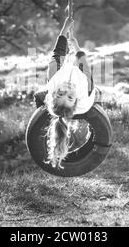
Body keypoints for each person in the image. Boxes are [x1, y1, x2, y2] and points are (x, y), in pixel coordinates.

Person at [36, 17, 96, 169]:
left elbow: (58, 52)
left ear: (55, 93)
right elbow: (85, 66)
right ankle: (48, 116)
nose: (67, 90)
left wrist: (64, 29)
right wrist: (76, 47)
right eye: (69, 96)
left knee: (39, 95)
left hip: (61, 81)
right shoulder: (84, 91)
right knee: (97, 95)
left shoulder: (54, 77)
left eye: (60, 93)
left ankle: (50, 108)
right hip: (83, 92)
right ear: (76, 101)